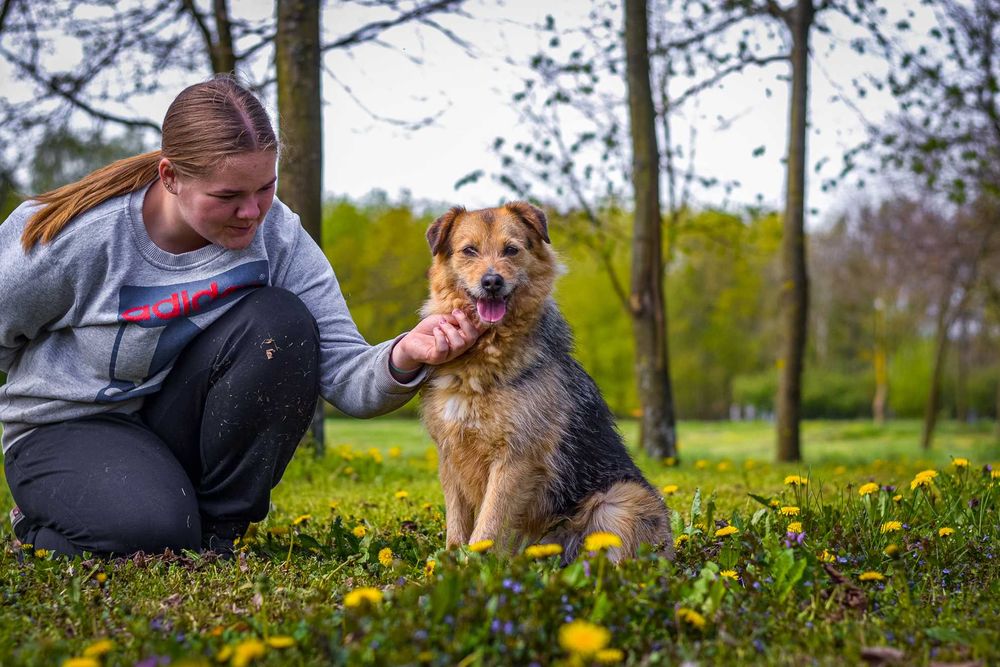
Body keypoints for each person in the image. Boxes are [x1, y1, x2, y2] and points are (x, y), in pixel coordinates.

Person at [0, 75, 481, 557]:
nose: (251, 212)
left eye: (265, 188)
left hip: (167, 423)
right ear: (170, 177)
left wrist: (405, 353)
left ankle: (216, 532)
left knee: (280, 322)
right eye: (227, 196)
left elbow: (344, 372)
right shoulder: (77, 237)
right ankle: (45, 519)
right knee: (152, 535)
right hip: (68, 427)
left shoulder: (278, 236)